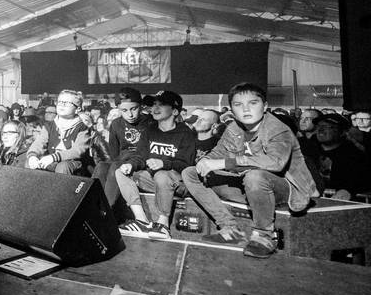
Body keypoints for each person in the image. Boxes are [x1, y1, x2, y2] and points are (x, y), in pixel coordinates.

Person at [181, 82, 319, 259]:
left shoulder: (277, 129)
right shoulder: (234, 127)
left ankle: (264, 236)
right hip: (250, 188)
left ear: (265, 106)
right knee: (190, 173)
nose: (246, 109)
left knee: (255, 176)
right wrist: (206, 160)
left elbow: (275, 163)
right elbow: (219, 151)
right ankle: (230, 228)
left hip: (288, 191)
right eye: (238, 105)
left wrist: (225, 163)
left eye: (253, 103)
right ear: (232, 110)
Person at [115, 91, 197, 240]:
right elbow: (140, 157)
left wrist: (164, 163)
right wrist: (131, 165)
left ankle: (163, 224)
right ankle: (141, 221)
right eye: (154, 104)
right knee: (120, 172)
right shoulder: (150, 130)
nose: (155, 108)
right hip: (155, 183)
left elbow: (187, 166)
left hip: (179, 184)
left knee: (161, 175)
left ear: (175, 111)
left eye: (162, 104)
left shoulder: (186, 133)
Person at [25, 89, 91, 175]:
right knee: (30, 163)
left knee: (63, 167)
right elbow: (39, 143)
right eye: (60, 102)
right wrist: (33, 156)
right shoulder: (49, 126)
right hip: (51, 161)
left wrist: (54, 157)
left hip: (72, 163)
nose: (62, 105)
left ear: (77, 109)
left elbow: (78, 151)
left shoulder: (82, 128)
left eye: (67, 103)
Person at [310, 113, 370, 200]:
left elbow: (362, 180)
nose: (320, 130)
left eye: (327, 127)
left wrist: (349, 190)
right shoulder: (308, 151)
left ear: (342, 132)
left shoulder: (354, 156)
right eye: (319, 126)